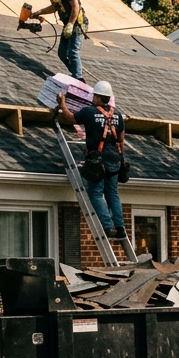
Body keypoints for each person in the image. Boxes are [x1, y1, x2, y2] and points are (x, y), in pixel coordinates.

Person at [58, 80, 126, 239]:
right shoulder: (117, 114)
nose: (92, 98)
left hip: (97, 159)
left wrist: (62, 103)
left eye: (94, 95)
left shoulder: (89, 112)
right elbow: (121, 139)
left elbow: (70, 118)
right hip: (115, 159)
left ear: (98, 97)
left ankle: (108, 227)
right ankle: (120, 227)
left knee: (95, 193)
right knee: (112, 194)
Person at [31, 0, 85, 79]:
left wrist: (70, 24)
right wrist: (38, 12)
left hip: (77, 24)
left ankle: (78, 78)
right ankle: (76, 72)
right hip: (68, 25)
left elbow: (76, 6)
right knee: (62, 53)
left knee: (73, 52)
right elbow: (54, 7)